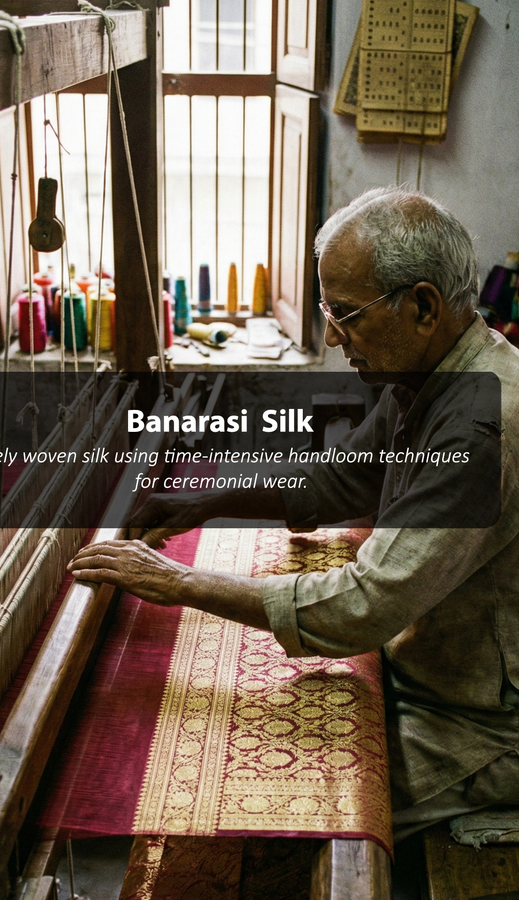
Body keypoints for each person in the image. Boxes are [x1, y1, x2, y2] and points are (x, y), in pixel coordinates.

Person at [68, 187, 519, 840]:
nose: (332, 336)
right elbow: (341, 479)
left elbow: (365, 605)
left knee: (284, 799)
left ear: (422, 307)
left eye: (346, 314)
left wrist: (180, 582)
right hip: (427, 672)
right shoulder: (431, 376)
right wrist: (211, 497)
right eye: (327, 311)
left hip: (480, 727)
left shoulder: (478, 428)